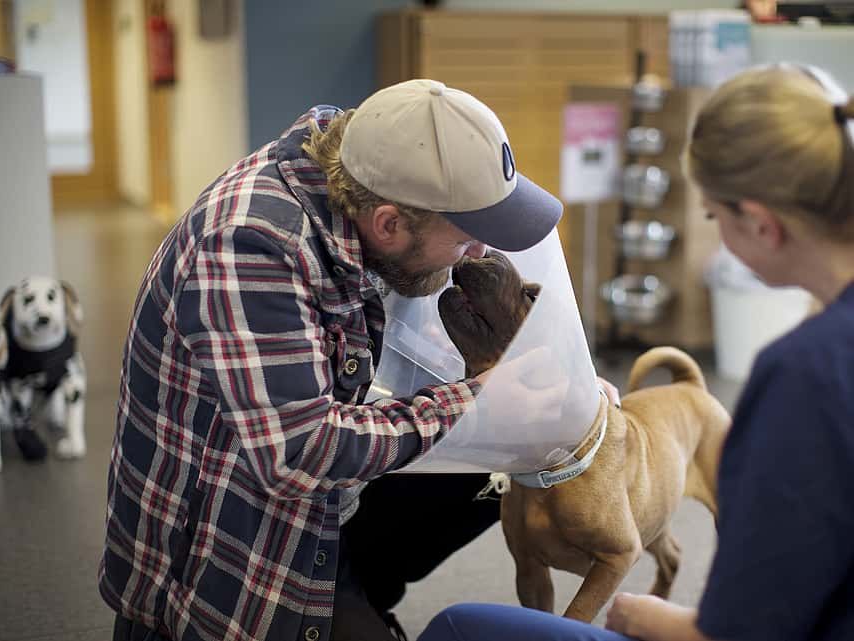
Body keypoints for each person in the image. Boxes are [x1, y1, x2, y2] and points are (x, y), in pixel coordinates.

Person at [98, 78, 579, 641]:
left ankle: (366, 598)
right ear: (391, 225)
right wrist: (481, 400)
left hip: (325, 498)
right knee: (481, 423)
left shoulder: (362, 167)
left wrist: (567, 394)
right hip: (234, 551)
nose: (482, 253)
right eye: (469, 236)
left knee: (497, 470)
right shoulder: (249, 247)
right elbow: (299, 452)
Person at [417, 63, 854, 641]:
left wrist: (655, 620)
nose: (715, 231)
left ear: (759, 223)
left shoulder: (803, 370)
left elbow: (750, 623)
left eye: (712, 216)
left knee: (457, 626)